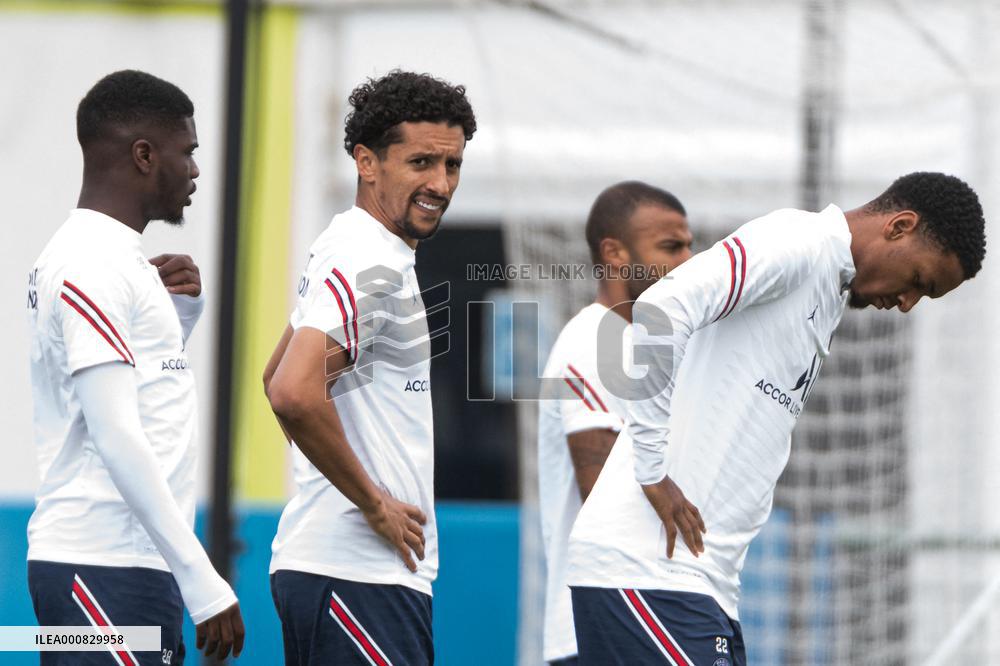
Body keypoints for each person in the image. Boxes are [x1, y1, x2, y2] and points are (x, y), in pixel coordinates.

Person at [566, 172, 986, 665]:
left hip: (701, 583)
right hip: (647, 571)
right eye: (918, 281)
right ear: (901, 226)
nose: (907, 304)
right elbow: (661, 308)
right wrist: (653, 470)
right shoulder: (799, 241)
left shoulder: (829, 286)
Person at [26, 70, 244, 665]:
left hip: (129, 567)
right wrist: (202, 579)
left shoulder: (120, 261)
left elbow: (146, 397)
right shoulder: (91, 262)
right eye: (188, 152)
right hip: (102, 564)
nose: (196, 170)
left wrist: (181, 317)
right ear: (145, 155)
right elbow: (115, 433)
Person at [263, 70, 476, 666]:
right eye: (421, 162)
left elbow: (275, 376)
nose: (440, 183)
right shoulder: (365, 255)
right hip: (357, 577)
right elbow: (292, 391)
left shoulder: (362, 247)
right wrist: (372, 503)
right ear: (366, 161)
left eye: (452, 165)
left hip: (345, 574)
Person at [537, 181, 693, 665]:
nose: (689, 260)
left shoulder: (645, 346)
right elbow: (604, 503)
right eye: (671, 247)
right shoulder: (593, 340)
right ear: (614, 253)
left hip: (644, 614)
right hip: (602, 626)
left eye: (690, 245)